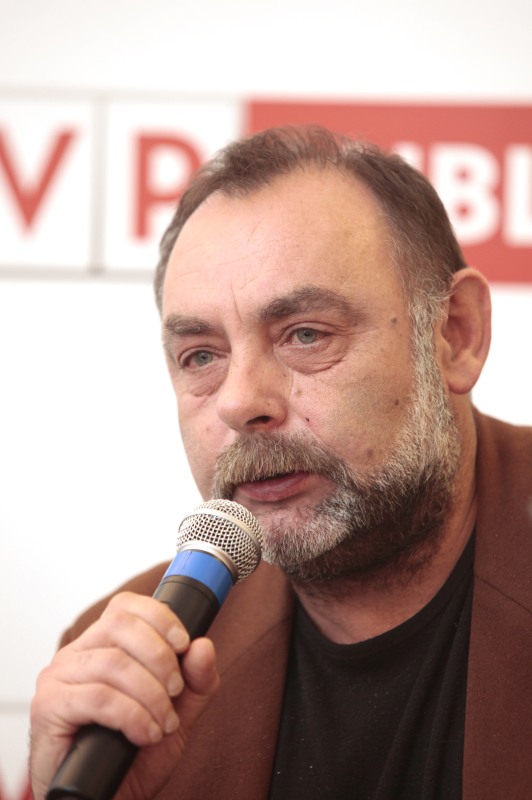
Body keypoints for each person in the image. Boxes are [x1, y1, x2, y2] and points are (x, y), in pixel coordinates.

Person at [30, 125, 531, 800]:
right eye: (201, 356)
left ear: (455, 335)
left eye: (305, 335)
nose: (240, 403)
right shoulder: (121, 684)